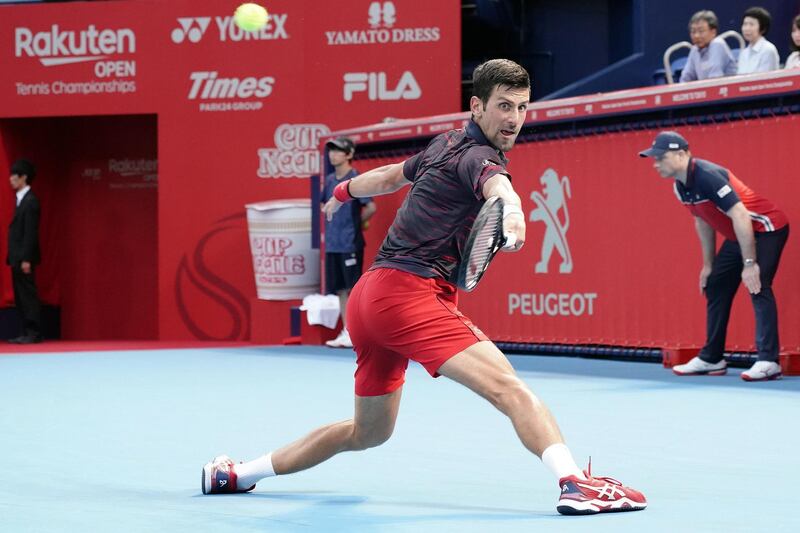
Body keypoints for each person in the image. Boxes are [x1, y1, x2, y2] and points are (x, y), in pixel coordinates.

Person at [201, 59, 647, 516]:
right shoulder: (480, 158)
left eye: (522, 107)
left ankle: (236, 474)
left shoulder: (444, 144)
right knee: (509, 388)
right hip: (407, 295)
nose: (514, 119)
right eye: (503, 106)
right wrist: (513, 216)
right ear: (477, 106)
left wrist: (341, 193)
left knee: (368, 432)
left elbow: (391, 175)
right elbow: (503, 193)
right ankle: (573, 483)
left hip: (368, 299)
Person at [639, 131, 789, 381]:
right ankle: (712, 358)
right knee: (716, 283)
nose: (655, 164)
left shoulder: (708, 176)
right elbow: (703, 219)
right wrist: (708, 264)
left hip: (767, 227)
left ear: (682, 154)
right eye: (654, 159)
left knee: (757, 284)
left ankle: (768, 361)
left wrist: (750, 263)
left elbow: (741, 215)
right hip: (739, 234)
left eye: (660, 158)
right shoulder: (680, 187)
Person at [320, 136, 376, 349]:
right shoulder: (330, 180)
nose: (333, 155)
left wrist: (358, 223)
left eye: (338, 151)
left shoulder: (355, 179)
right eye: (331, 151)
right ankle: (348, 331)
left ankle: (358, 332)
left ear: (349, 154)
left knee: (353, 289)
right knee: (342, 290)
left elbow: (370, 207)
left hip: (350, 243)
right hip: (333, 244)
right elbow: (325, 206)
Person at [6, 159, 43, 344]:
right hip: (16, 256)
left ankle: (33, 331)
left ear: (24, 178)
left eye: (14, 175)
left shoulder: (31, 202)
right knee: (20, 296)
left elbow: (30, 233)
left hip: (24, 258)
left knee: (28, 295)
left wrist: (27, 259)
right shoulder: (21, 200)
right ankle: (25, 330)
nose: (10, 178)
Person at [679, 10, 737, 82]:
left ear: (713, 32)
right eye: (693, 32)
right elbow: (685, 78)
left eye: (701, 31)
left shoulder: (717, 44)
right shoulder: (694, 50)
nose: (696, 36)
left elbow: (715, 79)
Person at [737, 6, 780, 74]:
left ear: (763, 28)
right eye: (745, 24)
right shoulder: (744, 53)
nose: (747, 28)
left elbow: (766, 80)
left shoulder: (768, 50)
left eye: (751, 24)